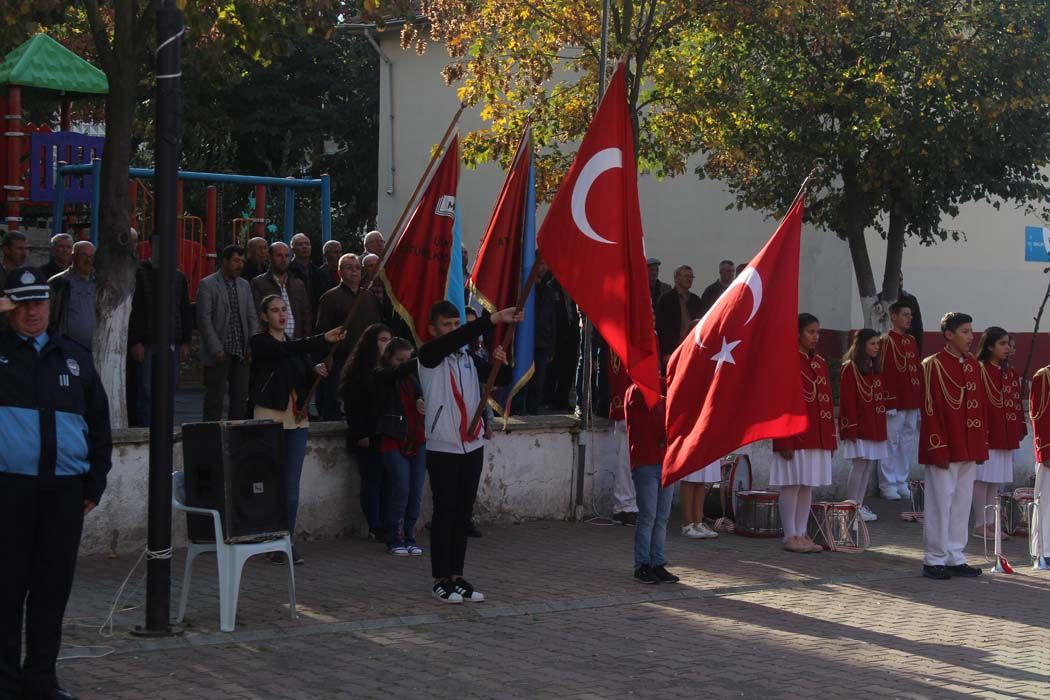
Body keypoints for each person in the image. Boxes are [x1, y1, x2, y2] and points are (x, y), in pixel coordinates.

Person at [0, 267, 111, 700]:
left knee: (51, 592)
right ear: (8, 307)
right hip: (10, 492)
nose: (33, 312)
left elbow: (100, 426)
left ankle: (41, 679)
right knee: (6, 590)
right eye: (22, 304)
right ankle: (5, 681)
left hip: (63, 495)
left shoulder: (75, 357)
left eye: (39, 303)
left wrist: (93, 484)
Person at [418, 301, 519, 603]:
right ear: (433, 329)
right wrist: (492, 319)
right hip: (444, 444)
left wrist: (503, 362)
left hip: (471, 443)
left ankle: (456, 575)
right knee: (445, 511)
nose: (452, 330)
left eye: (455, 324)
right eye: (446, 325)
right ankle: (440, 579)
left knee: (463, 512)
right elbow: (452, 341)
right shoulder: (429, 356)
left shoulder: (467, 358)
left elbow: (498, 378)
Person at [251, 294, 346, 565]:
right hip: (270, 417)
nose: (281, 315)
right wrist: (321, 339)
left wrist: (315, 370)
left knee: (290, 486)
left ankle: (285, 541)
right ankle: (267, 537)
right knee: (270, 482)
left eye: (284, 310)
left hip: (297, 418)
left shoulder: (293, 345)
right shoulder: (260, 343)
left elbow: (300, 374)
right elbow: (282, 354)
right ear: (264, 316)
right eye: (275, 310)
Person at [918, 312, 986, 580]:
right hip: (945, 447)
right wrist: (937, 448)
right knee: (939, 503)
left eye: (971, 331)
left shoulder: (973, 366)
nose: (971, 337)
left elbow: (979, 409)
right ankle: (934, 558)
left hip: (968, 446)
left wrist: (980, 446)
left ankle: (955, 556)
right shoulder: (932, 365)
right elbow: (930, 410)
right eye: (965, 332)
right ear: (949, 335)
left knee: (961, 503)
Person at [771, 313, 834, 554]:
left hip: (817, 434)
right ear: (797, 333)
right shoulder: (786, 361)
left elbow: (826, 404)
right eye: (810, 332)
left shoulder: (820, 363)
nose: (815, 337)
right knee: (791, 484)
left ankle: (802, 532)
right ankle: (789, 534)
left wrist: (829, 440)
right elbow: (780, 402)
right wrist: (783, 438)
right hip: (794, 434)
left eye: (818, 332)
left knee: (808, 484)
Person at [373, 337, 427, 556]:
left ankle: (410, 535)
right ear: (389, 358)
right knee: (401, 488)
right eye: (399, 359)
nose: (404, 364)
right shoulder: (382, 375)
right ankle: (394, 537)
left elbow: (421, 394)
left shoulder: (414, 378)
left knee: (415, 491)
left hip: (417, 437)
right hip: (393, 437)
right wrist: (418, 360)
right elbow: (394, 374)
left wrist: (421, 400)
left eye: (408, 358)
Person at [340, 323, 393, 541]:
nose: (386, 344)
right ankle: (375, 525)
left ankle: (386, 522)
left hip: (387, 433)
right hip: (367, 434)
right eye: (382, 340)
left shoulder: (391, 369)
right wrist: (361, 433)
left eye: (389, 339)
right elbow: (354, 406)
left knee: (389, 480)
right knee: (372, 480)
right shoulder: (358, 372)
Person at [127, 252, 193, 427]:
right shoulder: (140, 275)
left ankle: (166, 428)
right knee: (147, 390)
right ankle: (146, 431)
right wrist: (135, 341)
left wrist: (185, 341)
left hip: (172, 340)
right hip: (148, 340)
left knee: (168, 391)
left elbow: (184, 309)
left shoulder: (178, 276)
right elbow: (135, 310)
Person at [625, 379, 680, 585]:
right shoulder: (636, 392)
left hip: (664, 462)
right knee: (648, 516)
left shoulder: (658, 395)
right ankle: (642, 565)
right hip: (646, 462)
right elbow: (658, 420)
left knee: (662, 517)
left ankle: (657, 562)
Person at [315, 253, 381, 420]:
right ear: (340, 272)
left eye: (357, 268)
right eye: (349, 268)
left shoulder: (369, 296)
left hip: (366, 358)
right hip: (339, 359)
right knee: (334, 403)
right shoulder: (330, 298)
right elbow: (322, 331)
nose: (354, 272)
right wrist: (326, 357)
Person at [196, 245, 258, 421]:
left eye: (242, 261)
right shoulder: (207, 284)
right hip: (219, 350)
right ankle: (210, 438)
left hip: (241, 350)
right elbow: (204, 319)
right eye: (236, 261)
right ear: (224, 261)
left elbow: (251, 316)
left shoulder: (244, 284)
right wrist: (216, 348)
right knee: (214, 399)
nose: (240, 265)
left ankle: (236, 439)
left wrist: (251, 346)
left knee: (240, 399)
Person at [973, 327, 1022, 540]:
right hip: (987, 433)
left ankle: (991, 523)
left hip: (1005, 432)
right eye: (1002, 344)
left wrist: (1020, 427)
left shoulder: (1009, 371)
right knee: (982, 479)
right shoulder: (979, 369)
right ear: (990, 346)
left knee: (996, 481)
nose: (1007, 348)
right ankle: (979, 524)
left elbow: (1015, 403)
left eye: (1008, 344)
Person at [840, 329, 889, 523]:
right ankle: (850, 505)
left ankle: (858, 505)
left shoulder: (873, 367)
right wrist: (850, 427)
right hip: (860, 425)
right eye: (872, 344)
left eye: (878, 344)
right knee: (859, 464)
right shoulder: (850, 367)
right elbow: (848, 400)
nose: (877, 348)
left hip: (874, 424)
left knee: (867, 465)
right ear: (861, 346)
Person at [878, 302, 922, 501]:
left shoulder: (911, 340)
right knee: (890, 443)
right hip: (896, 401)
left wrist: (919, 400)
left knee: (906, 443)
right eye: (905, 314)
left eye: (910, 315)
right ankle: (887, 484)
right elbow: (887, 372)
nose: (909, 318)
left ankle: (901, 481)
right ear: (893, 316)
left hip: (911, 400)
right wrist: (890, 402)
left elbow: (915, 371)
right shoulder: (887, 340)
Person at [250, 242, 312, 340]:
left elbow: (306, 315)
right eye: (279, 256)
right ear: (270, 257)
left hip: (296, 342)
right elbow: (256, 315)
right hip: (271, 341)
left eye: (287, 256)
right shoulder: (259, 283)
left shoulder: (298, 284)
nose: (283, 260)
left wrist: (306, 341)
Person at [47, 241, 96, 354]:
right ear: (73, 257)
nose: (88, 260)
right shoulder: (58, 282)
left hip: (95, 351)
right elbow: (48, 317)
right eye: (83, 255)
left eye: (91, 256)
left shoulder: (100, 283)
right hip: (66, 350)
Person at [607, 351, 638, 526]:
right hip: (628, 408)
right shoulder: (620, 341)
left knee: (634, 462)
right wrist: (624, 408)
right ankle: (624, 507)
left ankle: (630, 504)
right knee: (625, 462)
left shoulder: (650, 336)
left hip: (641, 408)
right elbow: (617, 374)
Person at [654, 265, 702, 367]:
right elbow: (661, 327)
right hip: (672, 350)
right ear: (676, 278)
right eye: (686, 276)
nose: (689, 279)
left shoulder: (696, 300)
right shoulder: (666, 299)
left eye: (691, 277)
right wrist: (666, 352)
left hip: (691, 348)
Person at [1028, 364, 1050, 570]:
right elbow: (1038, 416)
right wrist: (1045, 450)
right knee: (1046, 503)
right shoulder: (1044, 377)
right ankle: (1044, 552)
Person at [289, 233, 331, 315]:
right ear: (292, 249)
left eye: (307, 244)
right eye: (300, 244)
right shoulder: (287, 272)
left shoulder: (320, 273)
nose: (304, 247)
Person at [898, 272, 924, 354]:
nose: (899, 283)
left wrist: (918, 351)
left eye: (900, 280)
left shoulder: (911, 299)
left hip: (908, 346)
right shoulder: (879, 300)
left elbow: (918, 326)